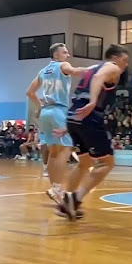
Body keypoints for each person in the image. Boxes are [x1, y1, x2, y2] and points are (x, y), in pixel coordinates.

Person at [59, 44, 129, 220]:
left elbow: (77, 74)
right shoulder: (111, 68)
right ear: (114, 57)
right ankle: (75, 199)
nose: (126, 64)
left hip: (74, 116)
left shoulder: (90, 68)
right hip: (89, 116)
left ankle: (66, 198)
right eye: (124, 59)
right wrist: (92, 101)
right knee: (107, 163)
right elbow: (98, 77)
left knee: (84, 162)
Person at [26, 42, 90, 203]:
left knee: (54, 152)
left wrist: (40, 106)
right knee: (65, 149)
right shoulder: (63, 65)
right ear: (56, 55)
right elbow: (74, 71)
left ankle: (55, 188)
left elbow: (30, 92)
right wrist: (94, 70)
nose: (67, 55)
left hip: (46, 112)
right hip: (58, 111)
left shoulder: (43, 71)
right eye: (65, 52)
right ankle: (57, 188)